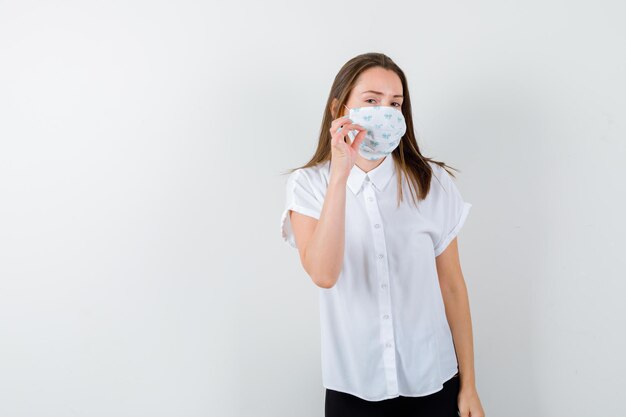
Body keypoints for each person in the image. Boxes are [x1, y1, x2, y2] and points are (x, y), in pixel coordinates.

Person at [280, 52, 486, 417]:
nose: (385, 112)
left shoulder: (431, 183)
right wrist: (340, 174)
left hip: (433, 380)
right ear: (339, 108)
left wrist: (469, 385)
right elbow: (324, 275)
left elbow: (452, 285)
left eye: (395, 104)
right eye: (371, 101)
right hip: (354, 386)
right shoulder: (309, 185)